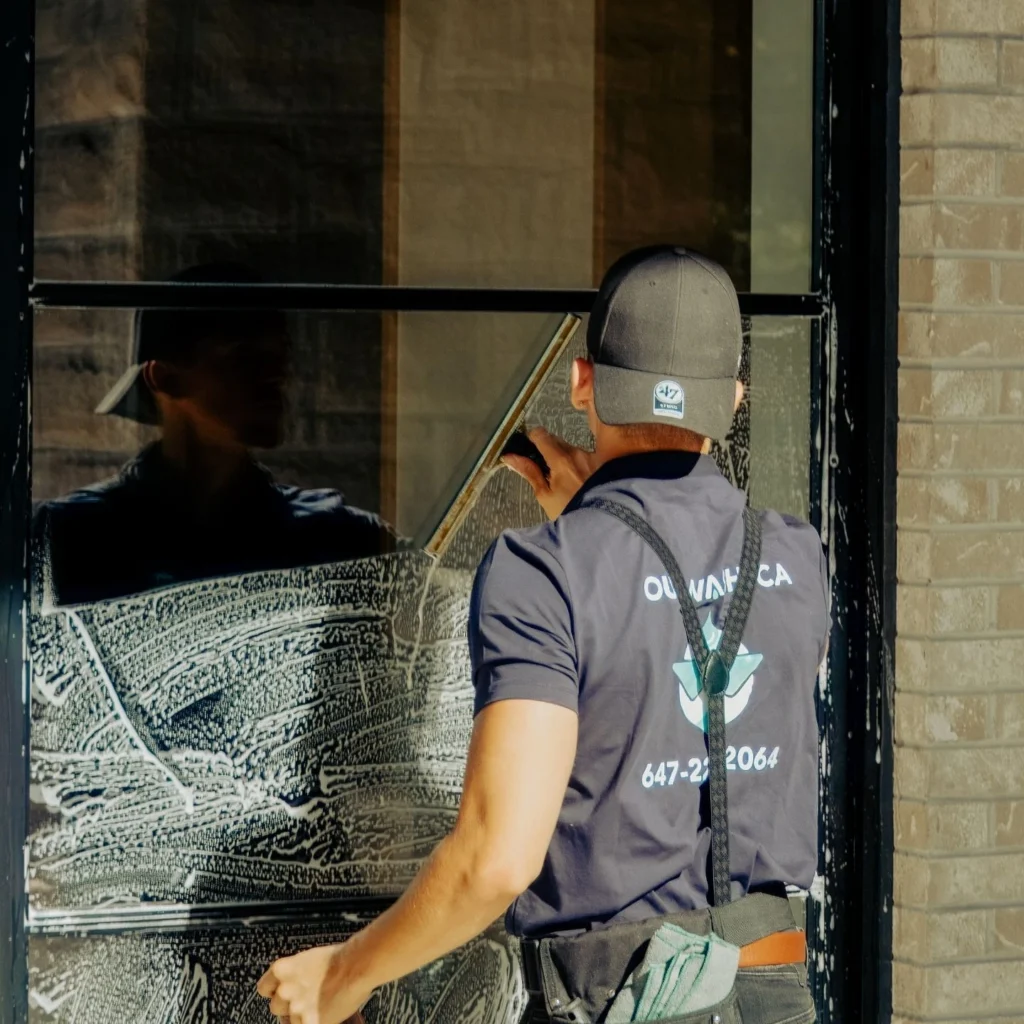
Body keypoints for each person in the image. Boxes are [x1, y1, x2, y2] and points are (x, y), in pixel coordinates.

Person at [257, 247, 829, 1024]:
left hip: (616, 1002)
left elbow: (497, 859)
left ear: (583, 383)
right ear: (732, 399)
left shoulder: (541, 572)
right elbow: (681, 644)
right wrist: (605, 532)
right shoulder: (796, 554)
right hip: (776, 995)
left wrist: (342, 976)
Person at [34, 264, 392, 606]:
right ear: (165, 378)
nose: (277, 375)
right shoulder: (67, 540)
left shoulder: (338, 538)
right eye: (246, 357)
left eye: (281, 356)